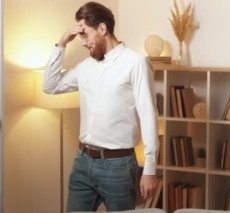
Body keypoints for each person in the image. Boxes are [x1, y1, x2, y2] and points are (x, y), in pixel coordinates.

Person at [43, 2, 158, 211]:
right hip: (82, 162)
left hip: (119, 167)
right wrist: (61, 43)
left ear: (102, 29)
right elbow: (49, 86)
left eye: (85, 34)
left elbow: (149, 116)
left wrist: (149, 169)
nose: (83, 43)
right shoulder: (85, 67)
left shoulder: (136, 63)